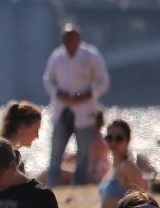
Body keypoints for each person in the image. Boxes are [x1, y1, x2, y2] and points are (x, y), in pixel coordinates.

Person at [43, 25, 110, 187]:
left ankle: (79, 184)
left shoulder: (91, 55)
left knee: (84, 153)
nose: (67, 43)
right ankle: (53, 184)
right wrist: (58, 93)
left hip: (84, 110)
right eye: (65, 39)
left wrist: (88, 95)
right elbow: (47, 80)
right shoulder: (57, 57)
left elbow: (103, 82)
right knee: (56, 150)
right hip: (62, 109)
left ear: (78, 40)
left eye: (70, 39)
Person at [93, 119, 148, 208]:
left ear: (127, 141)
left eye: (119, 138)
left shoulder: (128, 167)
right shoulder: (112, 168)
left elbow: (143, 201)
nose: (113, 142)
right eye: (109, 138)